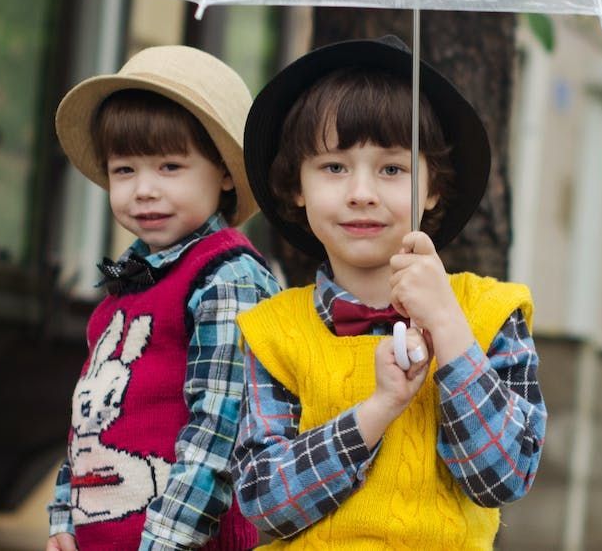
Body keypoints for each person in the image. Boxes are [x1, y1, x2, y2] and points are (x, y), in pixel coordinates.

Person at [229, 36, 547, 549]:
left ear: (435, 185)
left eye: (393, 169)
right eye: (334, 167)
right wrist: (377, 410)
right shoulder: (273, 331)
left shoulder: (490, 313)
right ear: (296, 186)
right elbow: (265, 505)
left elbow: (504, 478)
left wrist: (448, 327)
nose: (362, 192)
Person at [45, 46, 281, 551]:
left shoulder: (226, 277)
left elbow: (220, 431)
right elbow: (88, 421)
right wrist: (65, 517)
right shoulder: (126, 287)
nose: (144, 190)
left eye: (170, 166)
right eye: (124, 170)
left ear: (222, 173)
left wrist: (165, 543)